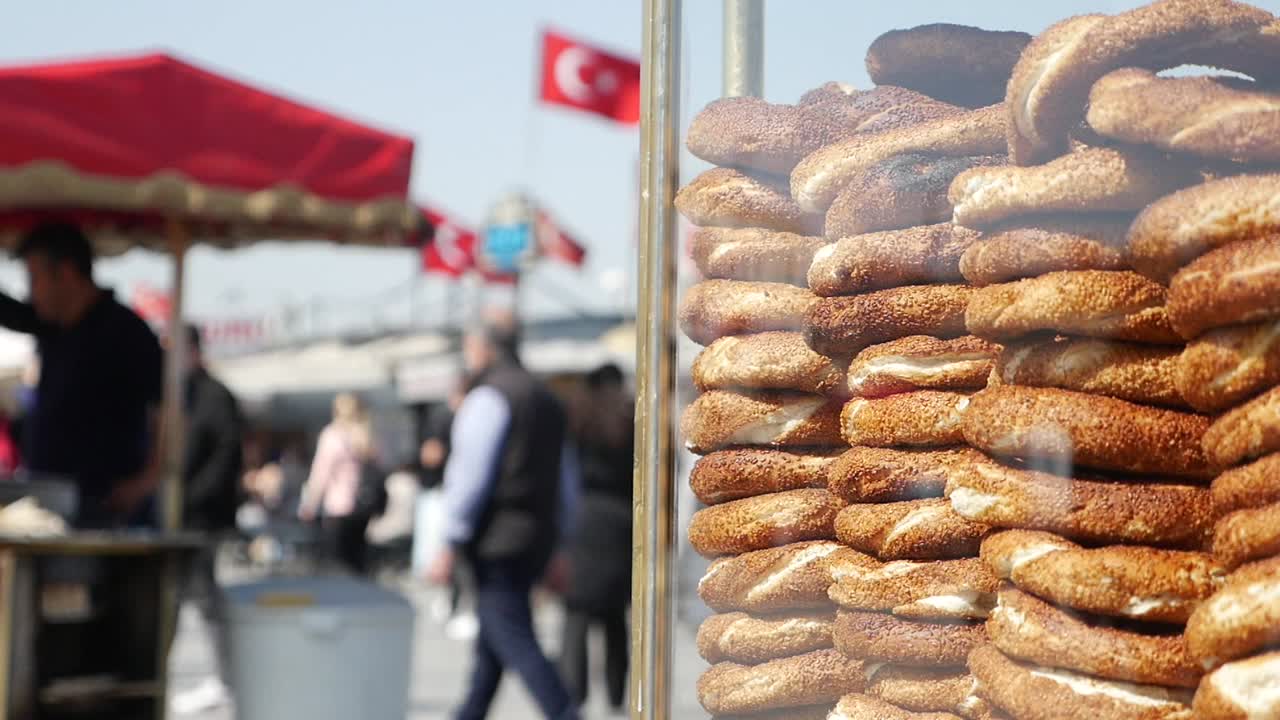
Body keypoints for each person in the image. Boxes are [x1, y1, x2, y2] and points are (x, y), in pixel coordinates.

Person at [428, 316, 581, 720]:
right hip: (537, 532)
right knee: (493, 642)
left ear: (484, 348)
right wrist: (563, 540)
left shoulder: (488, 398)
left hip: (496, 537)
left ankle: (564, 711)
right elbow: (567, 478)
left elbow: (469, 475)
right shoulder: (546, 399)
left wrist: (450, 538)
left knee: (512, 634)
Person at [0, 222, 163, 528]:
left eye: (34, 279)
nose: (31, 293)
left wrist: (146, 481)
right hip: (48, 507)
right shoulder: (53, 327)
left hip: (108, 514)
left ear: (66, 273)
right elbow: (11, 312)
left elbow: (172, 411)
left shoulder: (124, 333)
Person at [170, 324, 244, 716]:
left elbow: (224, 457)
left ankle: (225, 679)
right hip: (180, 518)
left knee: (202, 598)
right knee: (177, 598)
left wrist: (191, 496)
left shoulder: (214, 397)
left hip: (201, 519)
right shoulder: (178, 394)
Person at [559, 363, 634, 711]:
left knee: (576, 613)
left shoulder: (577, 420)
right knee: (614, 615)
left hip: (584, 521)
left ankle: (574, 694)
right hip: (621, 523)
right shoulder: (631, 420)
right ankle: (617, 695)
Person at [299, 393, 379, 574]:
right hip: (363, 506)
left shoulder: (332, 436)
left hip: (339, 506)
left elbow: (321, 473)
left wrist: (310, 503)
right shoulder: (364, 434)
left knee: (338, 562)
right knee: (357, 561)